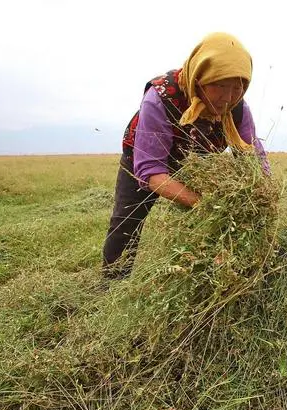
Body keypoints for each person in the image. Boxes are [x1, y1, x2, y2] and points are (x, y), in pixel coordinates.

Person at [102, 32, 270, 280]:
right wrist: (203, 204)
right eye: (220, 85)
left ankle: (201, 277)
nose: (228, 97)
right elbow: (151, 172)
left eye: (238, 87)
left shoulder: (237, 108)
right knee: (127, 221)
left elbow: (253, 157)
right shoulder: (160, 98)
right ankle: (111, 285)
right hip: (146, 159)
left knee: (209, 226)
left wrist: (265, 197)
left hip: (193, 162)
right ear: (200, 78)